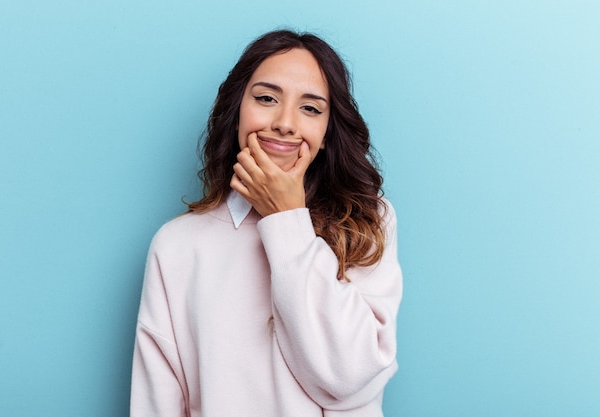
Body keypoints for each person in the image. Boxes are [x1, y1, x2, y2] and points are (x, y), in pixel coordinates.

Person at [130, 29, 403, 417]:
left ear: (327, 134)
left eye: (310, 108)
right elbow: (157, 403)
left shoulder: (366, 222)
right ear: (236, 111)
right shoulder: (177, 246)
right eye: (266, 99)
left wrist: (286, 220)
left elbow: (349, 380)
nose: (285, 123)